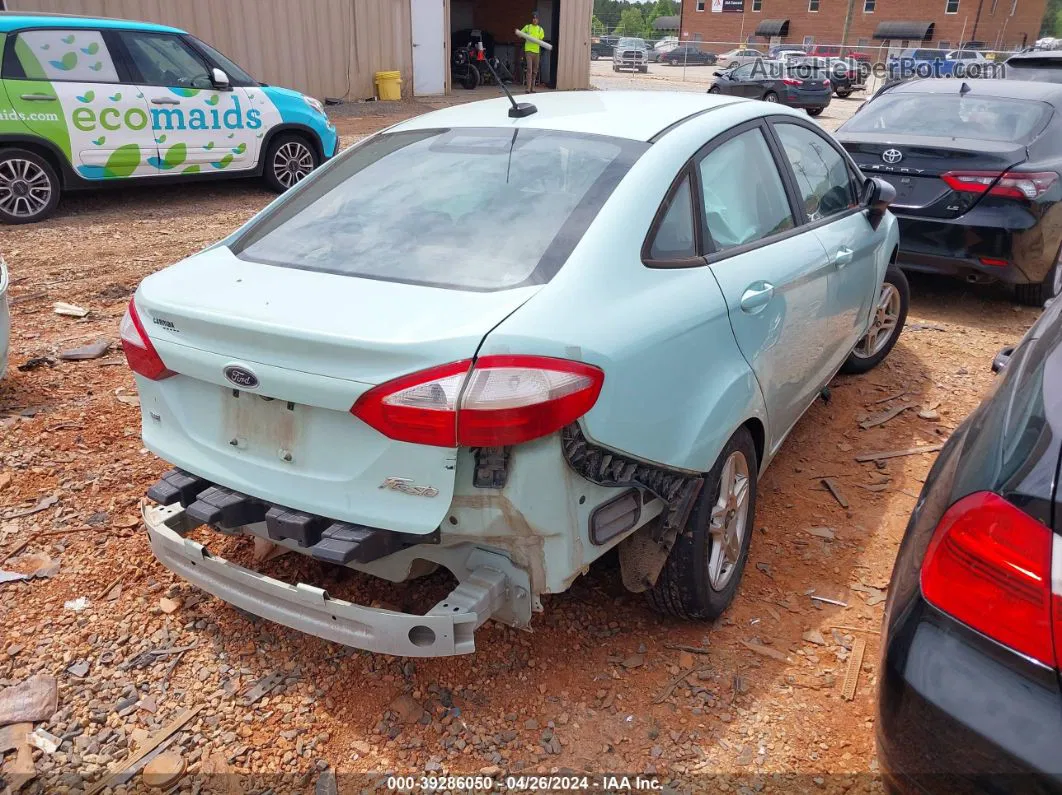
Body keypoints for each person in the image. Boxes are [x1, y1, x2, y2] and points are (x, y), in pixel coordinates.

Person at [521, 11, 546, 93]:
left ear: (538, 20)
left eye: (536, 18)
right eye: (533, 18)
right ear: (532, 19)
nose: (535, 20)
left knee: (535, 71)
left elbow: (541, 39)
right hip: (528, 51)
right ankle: (528, 88)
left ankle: (533, 88)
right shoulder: (527, 27)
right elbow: (520, 34)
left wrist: (537, 40)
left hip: (536, 52)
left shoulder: (540, 29)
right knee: (529, 69)